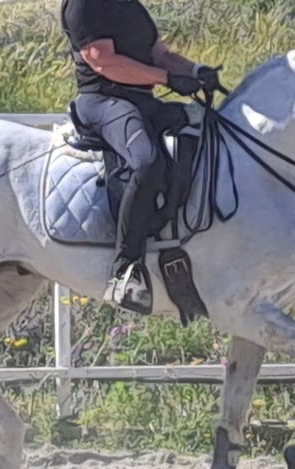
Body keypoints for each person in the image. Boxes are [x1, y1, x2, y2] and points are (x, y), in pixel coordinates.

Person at [60, 0, 219, 310]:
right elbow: (103, 62)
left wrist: (197, 71)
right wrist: (167, 79)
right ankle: (125, 270)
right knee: (146, 162)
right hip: (103, 101)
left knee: (206, 132)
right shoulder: (83, 5)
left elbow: (160, 55)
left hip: (141, 101)